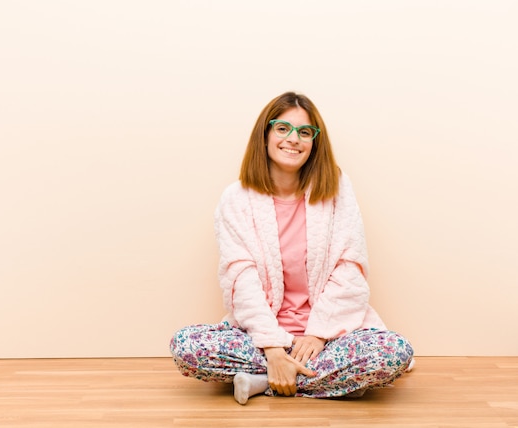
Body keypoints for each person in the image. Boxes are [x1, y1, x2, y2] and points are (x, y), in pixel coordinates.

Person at [169, 91, 414, 404]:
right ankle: (302, 376)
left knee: (394, 352)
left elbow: (350, 267)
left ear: (314, 142)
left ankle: (261, 383)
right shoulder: (236, 199)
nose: (293, 139)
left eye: (304, 132)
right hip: (259, 339)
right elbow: (239, 279)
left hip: (328, 338)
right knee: (186, 345)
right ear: (266, 134)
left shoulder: (336, 189)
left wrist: (317, 333)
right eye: (282, 128)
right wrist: (272, 347)